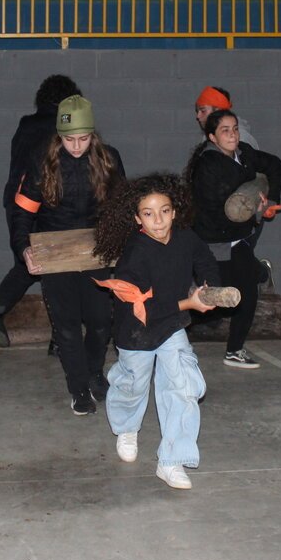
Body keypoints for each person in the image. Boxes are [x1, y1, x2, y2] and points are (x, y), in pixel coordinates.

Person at [92, 173, 219, 490]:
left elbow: (204, 257)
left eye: (164, 211)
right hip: (137, 330)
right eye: (148, 214)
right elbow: (145, 309)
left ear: (174, 212)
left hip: (171, 326)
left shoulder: (185, 237)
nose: (158, 220)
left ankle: (172, 461)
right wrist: (190, 303)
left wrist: (209, 286)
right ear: (138, 219)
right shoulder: (135, 254)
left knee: (184, 387)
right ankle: (126, 427)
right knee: (133, 386)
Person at [12, 95, 125, 415]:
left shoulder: (109, 159)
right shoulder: (41, 161)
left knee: (101, 321)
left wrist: (125, 245)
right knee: (67, 326)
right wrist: (24, 248)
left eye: (83, 139)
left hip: (96, 250)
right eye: (69, 139)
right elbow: (22, 213)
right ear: (59, 136)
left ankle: (94, 372)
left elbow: (122, 207)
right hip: (55, 251)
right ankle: (78, 388)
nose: (76, 146)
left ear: (93, 135)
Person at [0, 75, 82, 347]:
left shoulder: (26, 124)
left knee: (29, 263)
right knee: (57, 267)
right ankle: (59, 336)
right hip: (42, 204)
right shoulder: (62, 128)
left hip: (15, 202)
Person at [186, 109, 281, 369]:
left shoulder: (244, 153)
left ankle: (235, 350)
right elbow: (221, 211)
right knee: (211, 302)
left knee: (247, 295)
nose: (232, 135)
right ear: (212, 137)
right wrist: (255, 210)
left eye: (235, 129)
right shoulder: (208, 165)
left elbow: (275, 164)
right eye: (225, 131)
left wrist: (271, 200)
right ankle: (168, 329)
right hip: (213, 242)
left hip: (237, 240)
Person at [194, 86, 258, 149]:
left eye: (203, 111)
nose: (198, 116)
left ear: (218, 111)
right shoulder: (209, 135)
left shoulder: (238, 139)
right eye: (197, 111)